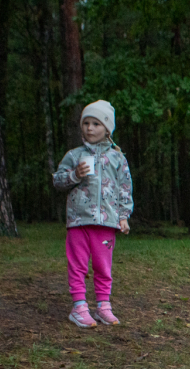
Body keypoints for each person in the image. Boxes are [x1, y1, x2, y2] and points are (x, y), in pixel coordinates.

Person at [52, 100, 132, 328]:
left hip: (106, 222)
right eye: (86, 123)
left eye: (96, 123)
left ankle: (103, 306)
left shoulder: (117, 158)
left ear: (107, 128)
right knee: (77, 264)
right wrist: (75, 175)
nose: (89, 128)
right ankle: (79, 307)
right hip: (78, 221)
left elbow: (124, 188)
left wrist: (123, 216)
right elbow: (57, 180)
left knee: (103, 266)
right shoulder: (74, 155)